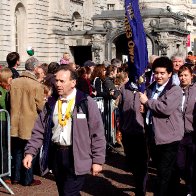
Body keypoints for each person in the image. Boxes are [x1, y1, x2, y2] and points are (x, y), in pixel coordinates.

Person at [23, 65, 106, 196]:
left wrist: (98, 160)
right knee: (64, 192)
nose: (58, 84)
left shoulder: (86, 102)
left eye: (62, 81)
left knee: (69, 193)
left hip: (77, 155)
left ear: (73, 83)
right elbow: (39, 130)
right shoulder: (51, 103)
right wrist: (30, 152)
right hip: (57, 155)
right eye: (56, 80)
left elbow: (97, 133)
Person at [139, 56, 184, 196]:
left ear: (169, 74)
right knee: (164, 171)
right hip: (154, 136)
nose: (158, 76)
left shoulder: (175, 90)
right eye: (156, 73)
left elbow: (165, 108)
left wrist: (147, 103)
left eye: (162, 73)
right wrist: (144, 108)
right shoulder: (151, 87)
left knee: (163, 174)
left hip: (170, 138)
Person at [10, 57, 45, 186]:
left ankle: (16, 177)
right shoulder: (36, 85)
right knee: (29, 151)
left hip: (15, 121)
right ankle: (27, 178)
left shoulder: (14, 82)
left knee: (17, 150)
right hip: (30, 122)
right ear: (35, 69)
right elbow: (41, 106)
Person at [119, 82, 148, 196]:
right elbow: (121, 108)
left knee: (142, 164)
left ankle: (141, 190)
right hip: (127, 131)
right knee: (133, 164)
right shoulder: (124, 88)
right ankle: (138, 184)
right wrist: (121, 127)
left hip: (142, 132)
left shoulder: (147, 87)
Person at [177, 65, 196, 196]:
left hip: (193, 133)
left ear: (191, 76)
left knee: (192, 165)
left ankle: (190, 189)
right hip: (178, 134)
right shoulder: (175, 91)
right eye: (181, 75)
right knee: (180, 164)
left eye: (185, 75)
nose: (183, 78)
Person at [0, 68, 12, 183]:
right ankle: (4, 175)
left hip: (5, 120)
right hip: (2, 120)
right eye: (10, 77)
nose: (12, 79)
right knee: (3, 147)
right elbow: (3, 104)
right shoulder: (1, 90)